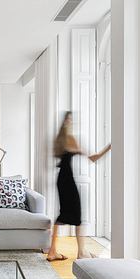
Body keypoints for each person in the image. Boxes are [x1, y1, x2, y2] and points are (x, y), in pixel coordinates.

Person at [47, 111, 111, 261]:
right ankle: (81, 252)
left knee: (64, 214)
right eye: (69, 120)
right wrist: (108, 148)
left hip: (62, 179)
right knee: (76, 214)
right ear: (66, 122)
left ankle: (53, 251)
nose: (70, 122)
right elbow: (92, 158)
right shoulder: (69, 139)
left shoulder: (59, 140)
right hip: (67, 180)